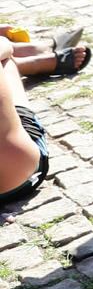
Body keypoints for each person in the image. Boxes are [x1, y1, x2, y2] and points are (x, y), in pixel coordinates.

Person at [0, 40, 54, 207]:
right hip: (17, 179)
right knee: (6, 60)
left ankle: (27, 63)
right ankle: (29, 63)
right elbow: (4, 45)